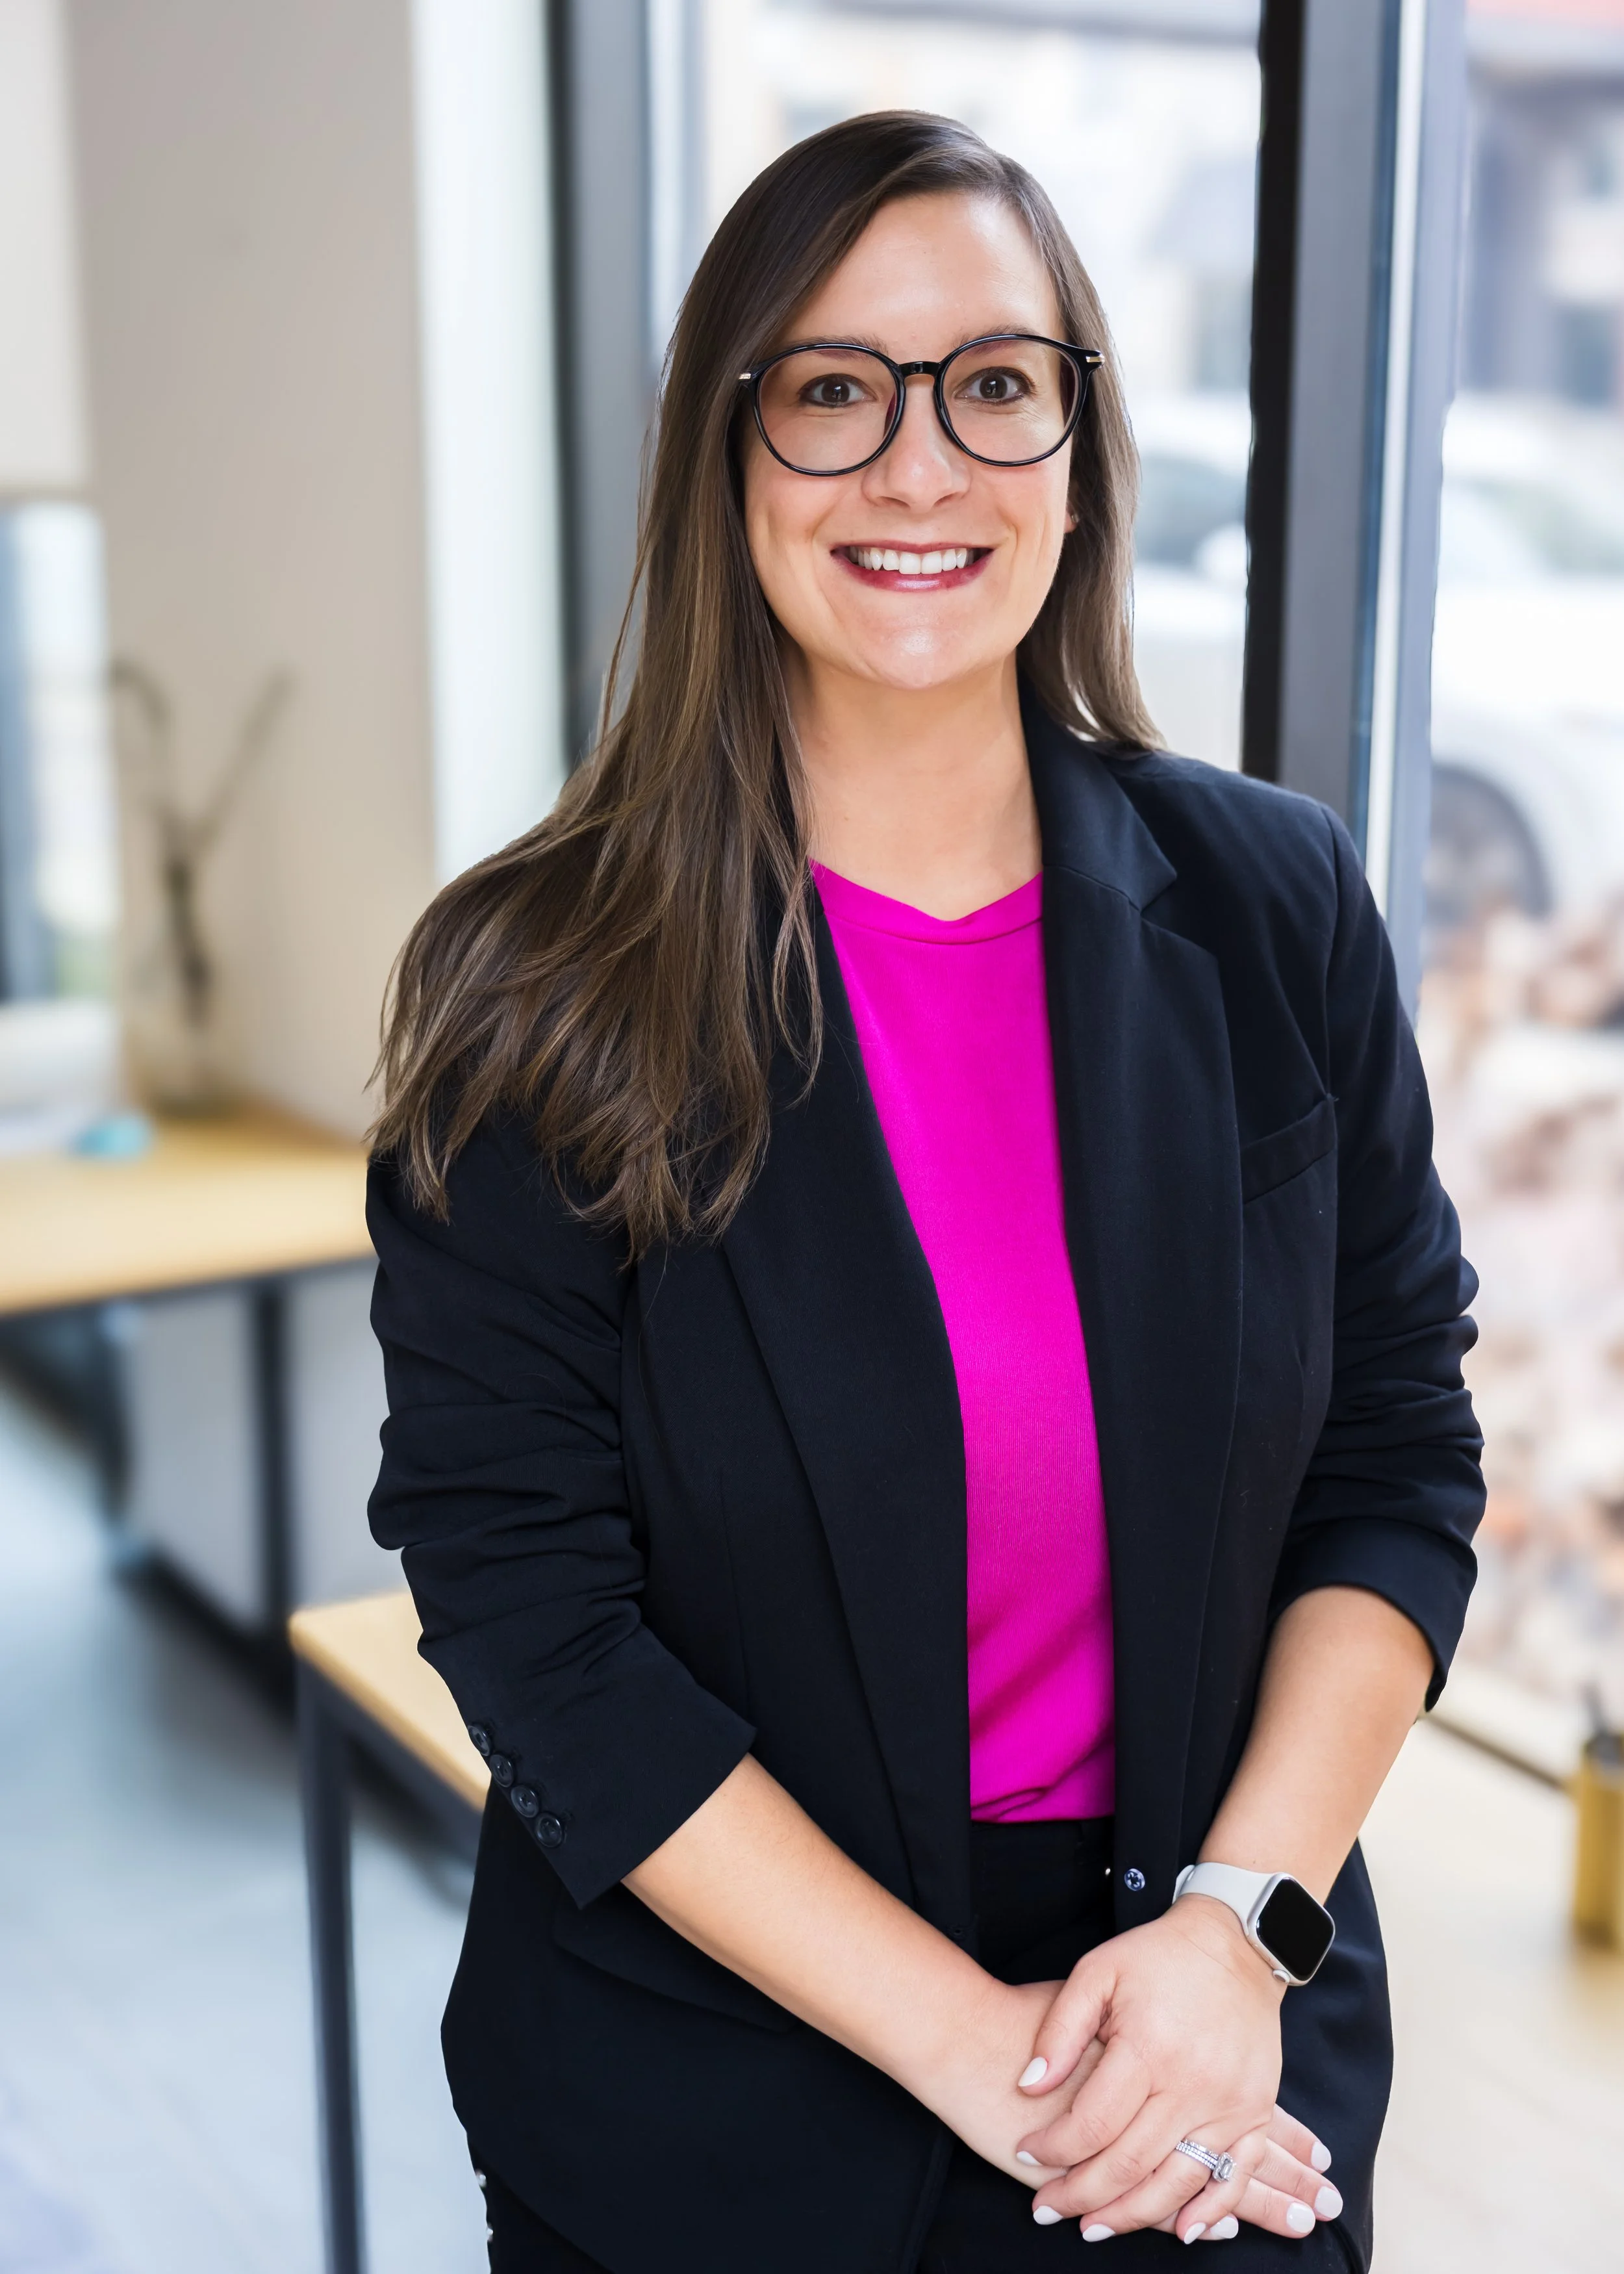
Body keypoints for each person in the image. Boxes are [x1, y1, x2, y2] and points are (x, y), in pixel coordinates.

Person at [367, 111, 1482, 2274]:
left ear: (1076, 442)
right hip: (717, 2076)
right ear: (729, 455)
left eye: (993, 381)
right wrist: (971, 2049)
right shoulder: (539, 986)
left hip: (1200, 2045)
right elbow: (531, 1616)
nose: (917, 466)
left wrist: (1236, 1936)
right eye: (830, 391)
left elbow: (1393, 1457)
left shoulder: (1275, 908)